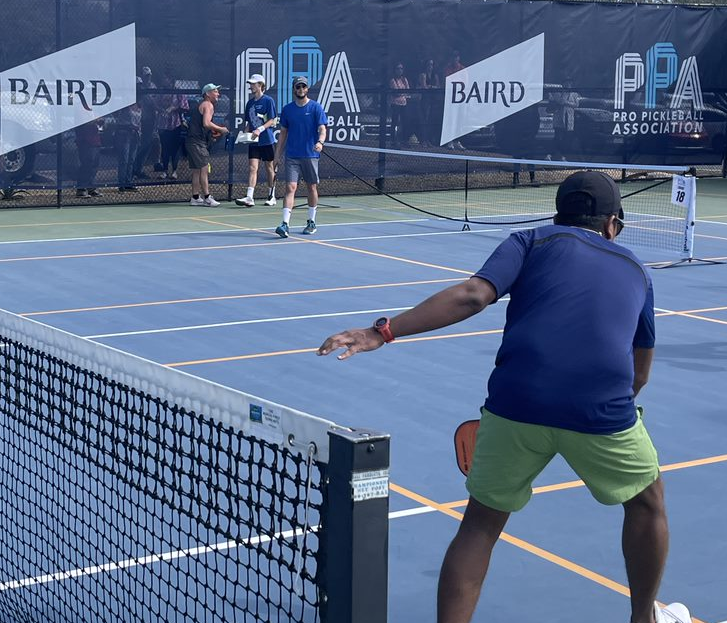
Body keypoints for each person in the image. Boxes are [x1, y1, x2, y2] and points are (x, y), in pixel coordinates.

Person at [317, 171, 690, 623]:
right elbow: (641, 370)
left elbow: (474, 295)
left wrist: (384, 330)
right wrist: (604, 406)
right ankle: (643, 619)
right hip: (601, 408)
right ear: (612, 224)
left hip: (517, 401)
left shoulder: (531, 240)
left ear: (560, 213)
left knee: (480, 523)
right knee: (648, 502)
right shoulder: (636, 270)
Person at [274, 76, 327, 237]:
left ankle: (311, 221)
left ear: (307, 89)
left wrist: (320, 142)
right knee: (290, 187)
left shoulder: (316, 108)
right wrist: (277, 155)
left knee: (311, 187)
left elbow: (322, 129)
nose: (301, 90)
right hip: (292, 156)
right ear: (294, 90)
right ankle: (284, 224)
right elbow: (283, 134)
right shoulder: (288, 110)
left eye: (303, 87)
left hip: (310, 155)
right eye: (298, 87)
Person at [235, 73, 278, 207]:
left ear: (260, 85)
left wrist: (260, 129)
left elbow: (272, 120)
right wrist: (244, 133)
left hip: (266, 140)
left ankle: (272, 196)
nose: (251, 86)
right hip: (254, 142)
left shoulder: (268, 101)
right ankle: (249, 197)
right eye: (250, 84)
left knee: (269, 167)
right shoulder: (250, 103)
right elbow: (248, 123)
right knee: (253, 167)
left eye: (253, 84)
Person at [185, 83, 229, 207]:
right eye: (215, 91)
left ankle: (195, 198)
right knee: (204, 169)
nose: (218, 94)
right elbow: (206, 123)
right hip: (197, 142)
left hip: (192, 141)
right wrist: (221, 129)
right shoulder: (208, 105)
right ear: (208, 94)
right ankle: (207, 198)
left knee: (196, 171)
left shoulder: (202, 105)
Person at [155, 73, 189, 180]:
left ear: (170, 80)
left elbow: (185, 107)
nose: (163, 81)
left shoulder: (178, 91)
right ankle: (165, 171)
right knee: (165, 148)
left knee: (174, 149)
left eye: (165, 79)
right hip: (163, 124)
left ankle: (174, 171)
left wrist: (174, 108)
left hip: (176, 123)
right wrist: (161, 109)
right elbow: (155, 104)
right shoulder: (161, 91)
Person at [548, 79, 580, 161]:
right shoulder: (559, 93)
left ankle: (563, 156)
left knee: (567, 138)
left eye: (570, 83)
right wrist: (567, 101)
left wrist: (567, 103)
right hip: (559, 119)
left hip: (569, 119)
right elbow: (561, 101)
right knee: (557, 137)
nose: (568, 85)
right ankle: (550, 154)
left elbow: (576, 104)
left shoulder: (575, 94)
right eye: (566, 83)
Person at [389, 63, 411, 145]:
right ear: (395, 70)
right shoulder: (392, 80)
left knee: (405, 122)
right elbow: (396, 92)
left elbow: (408, 90)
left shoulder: (404, 79)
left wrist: (402, 93)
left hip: (404, 104)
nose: (399, 70)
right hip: (395, 104)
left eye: (401, 68)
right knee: (394, 122)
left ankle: (404, 140)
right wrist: (403, 93)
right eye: (398, 68)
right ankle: (393, 140)